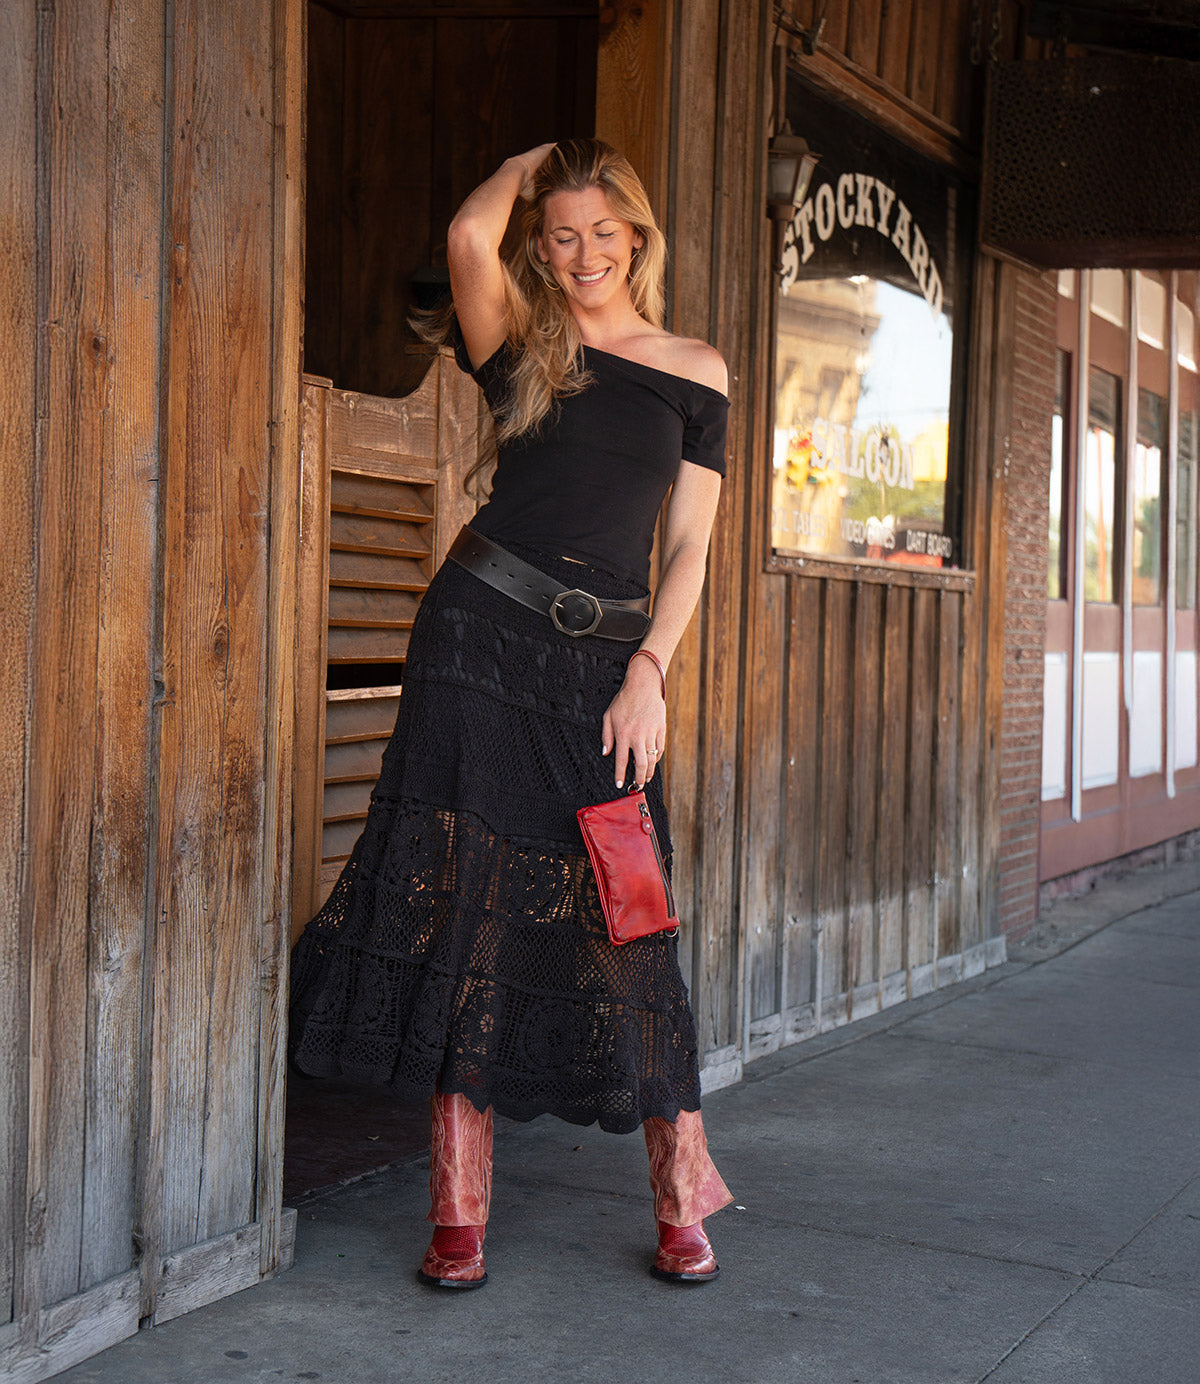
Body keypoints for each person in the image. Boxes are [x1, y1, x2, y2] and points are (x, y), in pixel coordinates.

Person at [288, 138, 733, 1290]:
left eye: (603, 232)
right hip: (479, 640)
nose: (584, 254)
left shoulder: (696, 370)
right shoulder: (523, 345)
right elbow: (463, 240)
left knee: (633, 914)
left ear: (638, 237)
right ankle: (458, 1210)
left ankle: (684, 1195)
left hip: (604, 671)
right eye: (563, 234)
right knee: (471, 915)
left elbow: (686, 549)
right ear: (544, 242)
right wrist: (528, 162)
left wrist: (654, 670)